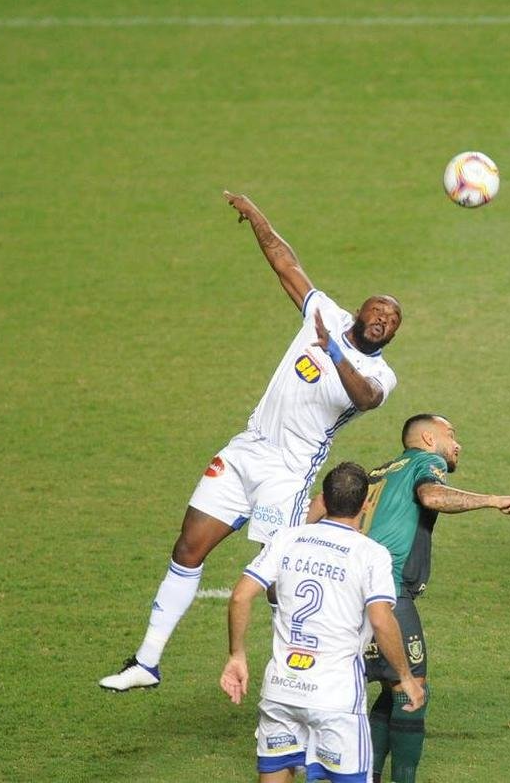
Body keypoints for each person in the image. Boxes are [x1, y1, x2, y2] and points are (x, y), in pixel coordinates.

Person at [99, 192, 403, 691]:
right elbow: (286, 262)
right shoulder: (322, 311)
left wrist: (333, 350)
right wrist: (258, 217)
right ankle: (146, 663)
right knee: (188, 548)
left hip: (287, 474)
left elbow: (365, 397)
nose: (384, 320)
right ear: (359, 309)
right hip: (246, 450)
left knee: (280, 581)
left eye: (392, 322)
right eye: (379, 311)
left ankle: (338, 658)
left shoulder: (379, 373)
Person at [308, 414, 510, 783]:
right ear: (428, 438)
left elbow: (319, 501)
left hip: (345, 592)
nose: (458, 444)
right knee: (412, 690)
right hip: (386, 590)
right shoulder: (427, 462)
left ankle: (368, 774)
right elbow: (431, 495)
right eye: (451, 435)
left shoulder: (379, 472)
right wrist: (494, 499)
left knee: (387, 685)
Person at [219, 462, 426, 783]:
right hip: (335, 697)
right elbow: (382, 620)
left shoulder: (286, 539)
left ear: (324, 501)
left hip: (281, 688)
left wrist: (236, 655)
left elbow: (240, 596)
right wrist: (406, 676)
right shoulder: (371, 554)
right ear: (366, 504)